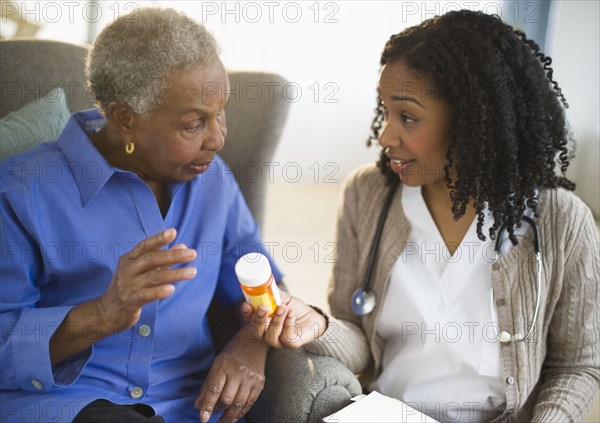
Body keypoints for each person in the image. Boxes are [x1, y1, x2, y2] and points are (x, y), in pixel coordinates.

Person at [244, 9, 600, 423]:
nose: (385, 135)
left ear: (470, 122)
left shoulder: (560, 220)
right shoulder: (368, 195)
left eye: (408, 117)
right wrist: (318, 324)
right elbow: (356, 335)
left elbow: (577, 366)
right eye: (386, 111)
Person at [0, 7, 283, 423]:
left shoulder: (213, 181)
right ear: (125, 119)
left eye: (220, 112)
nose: (218, 138)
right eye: (194, 124)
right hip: (68, 403)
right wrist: (101, 315)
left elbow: (260, 285)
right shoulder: (21, 191)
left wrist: (251, 344)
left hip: (189, 407)